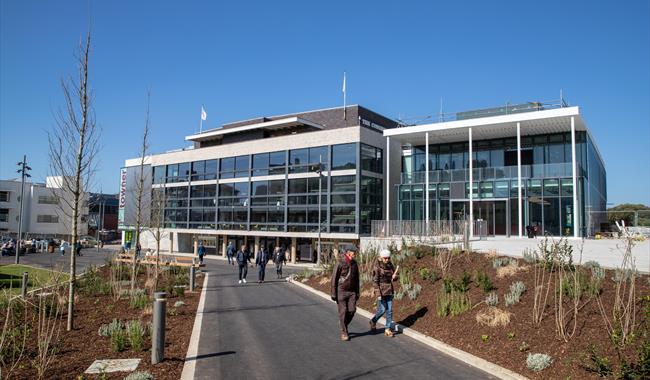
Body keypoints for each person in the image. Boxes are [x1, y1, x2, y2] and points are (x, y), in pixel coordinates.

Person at [330, 247, 360, 341]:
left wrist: (357, 292)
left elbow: (357, 279)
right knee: (343, 311)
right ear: (348, 252)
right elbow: (334, 278)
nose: (355, 253)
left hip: (352, 292)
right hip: (341, 290)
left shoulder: (354, 263)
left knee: (352, 310)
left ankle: (343, 323)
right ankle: (344, 332)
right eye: (354, 251)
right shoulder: (340, 262)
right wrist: (333, 293)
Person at [369, 249, 399, 337]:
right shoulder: (377, 267)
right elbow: (375, 281)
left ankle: (387, 329)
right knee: (382, 309)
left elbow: (394, 277)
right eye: (385, 258)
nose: (387, 260)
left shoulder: (390, 265)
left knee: (389, 310)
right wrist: (378, 294)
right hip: (381, 291)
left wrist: (395, 276)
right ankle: (373, 321)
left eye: (388, 258)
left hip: (389, 290)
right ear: (381, 258)